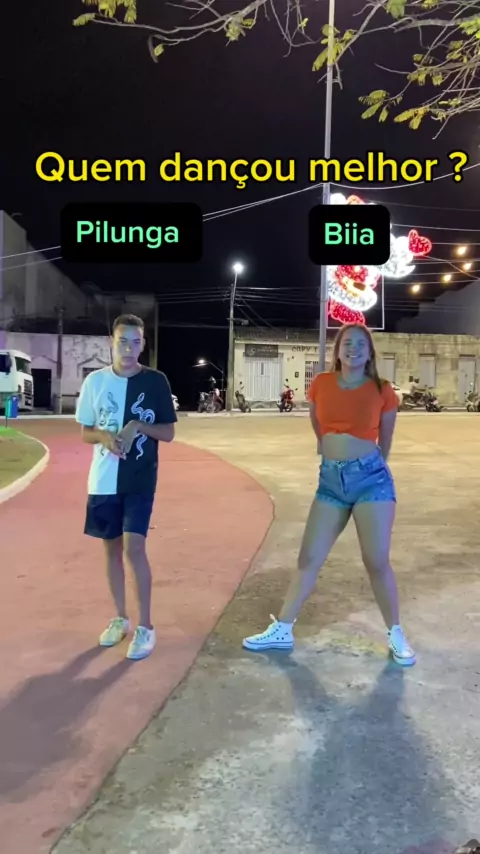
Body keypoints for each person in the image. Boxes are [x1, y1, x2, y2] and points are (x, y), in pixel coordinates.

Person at [243, 322, 415, 667]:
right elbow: (317, 422)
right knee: (309, 558)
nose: (353, 348)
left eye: (360, 344)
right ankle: (283, 629)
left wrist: (366, 465)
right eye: (347, 343)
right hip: (331, 483)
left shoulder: (382, 390)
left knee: (376, 560)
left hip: (371, 481)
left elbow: (386, 441)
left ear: (370, 352)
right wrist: (330, 449)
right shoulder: (321, 383)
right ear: (338, 350)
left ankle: (396, 633)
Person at [75, 314, 177, 661]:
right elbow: (85, 431)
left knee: (134, 548)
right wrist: (104, 436)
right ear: (112, 342)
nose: (129, 349)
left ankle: (146, 626)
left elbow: (168, 432)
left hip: (140, 479)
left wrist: (137, 425)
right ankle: (120, 618)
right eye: (123, 342)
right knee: (111, 550)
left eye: (136, 342)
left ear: (143, 344)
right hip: (103, 480)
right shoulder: (95, 382)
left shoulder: (156, 382)